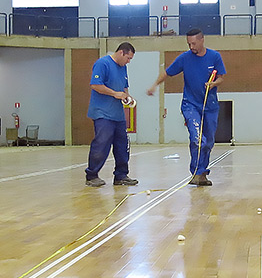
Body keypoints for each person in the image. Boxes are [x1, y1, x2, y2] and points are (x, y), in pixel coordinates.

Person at [147, 28, 226, 186]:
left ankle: (202, 172)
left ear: (202, 40)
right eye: (189, 44)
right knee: (197, 139)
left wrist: (213, 84)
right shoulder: (184, 58)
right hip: (190, 105)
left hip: (210, 106)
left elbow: (221, 78)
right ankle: (196, 172)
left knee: (208, 142)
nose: (191, 47)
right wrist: (154, 85)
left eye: (194, 43)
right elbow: (168, 73)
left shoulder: (215, 56)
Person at [85, 42, 138, 187]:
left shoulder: (123, 68)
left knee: (122, 145)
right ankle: (92, 175)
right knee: (102, 143)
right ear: (121, 52)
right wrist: (115, 94)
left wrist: (127, 97)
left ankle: (121, 175)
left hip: (118, 115)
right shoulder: (102, 64)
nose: (128, 62)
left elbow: (124, 88)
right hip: (102, 113)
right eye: (128, 58)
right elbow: (95, 85)